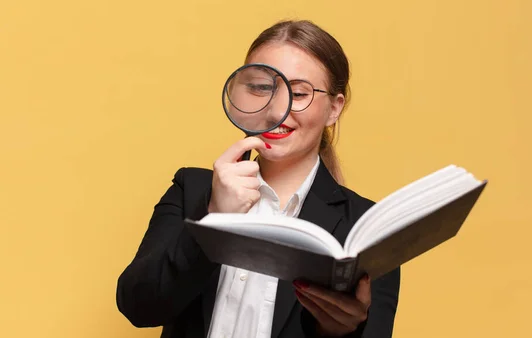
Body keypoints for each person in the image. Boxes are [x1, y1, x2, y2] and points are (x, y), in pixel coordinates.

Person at [116, 19, 401, 338]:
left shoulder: (367, 226)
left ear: (334, 109)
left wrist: (338, 330)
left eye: (299, 92)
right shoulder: (191, 189)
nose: (276, 108)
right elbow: (138, 306)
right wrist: (214, 218)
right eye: (261, 88)